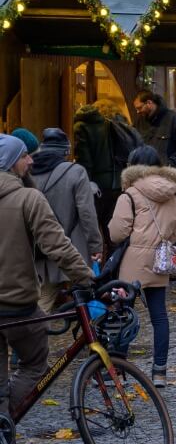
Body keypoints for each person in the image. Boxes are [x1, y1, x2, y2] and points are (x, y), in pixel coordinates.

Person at [0, 134, 94, 444]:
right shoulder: (27, 197)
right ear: (12, 162)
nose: (31, 161)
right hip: (18, 303)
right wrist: (86, 277)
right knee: (35, 362)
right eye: (25, 156)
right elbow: (58, 245)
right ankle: (4, 428)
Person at [109, 146, 176, 388]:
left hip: (132, 262)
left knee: (123, 313)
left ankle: (115, 371)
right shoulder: (172, 195)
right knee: (159, 316)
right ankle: (160, 372)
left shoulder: (130, 195)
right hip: (159, 261)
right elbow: (175, 232)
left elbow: (117, 233)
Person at [29, 128, 103, 313]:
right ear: (66, 151)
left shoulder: (27, 171)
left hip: (38, 248)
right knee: (84, 295)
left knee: (43, 297)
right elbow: (87, 213)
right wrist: (96, 246)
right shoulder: (76, 172)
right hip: (71, 247)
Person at [72, 101, 124, 245]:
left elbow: (84, 161)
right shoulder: (117, 126)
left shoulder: (82, 127)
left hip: (96, 187)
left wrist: (84, 183)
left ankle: (97, 257)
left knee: (91, 231)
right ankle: (113, 258)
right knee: (112, 233)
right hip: (118, 184)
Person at [134, 90, 176, 168]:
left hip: (165, 172)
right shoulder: (139, 122)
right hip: (144, 171)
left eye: (139, 108)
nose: (138, 112)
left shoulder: (173, 119)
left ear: (149, 103)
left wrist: (171, 164)